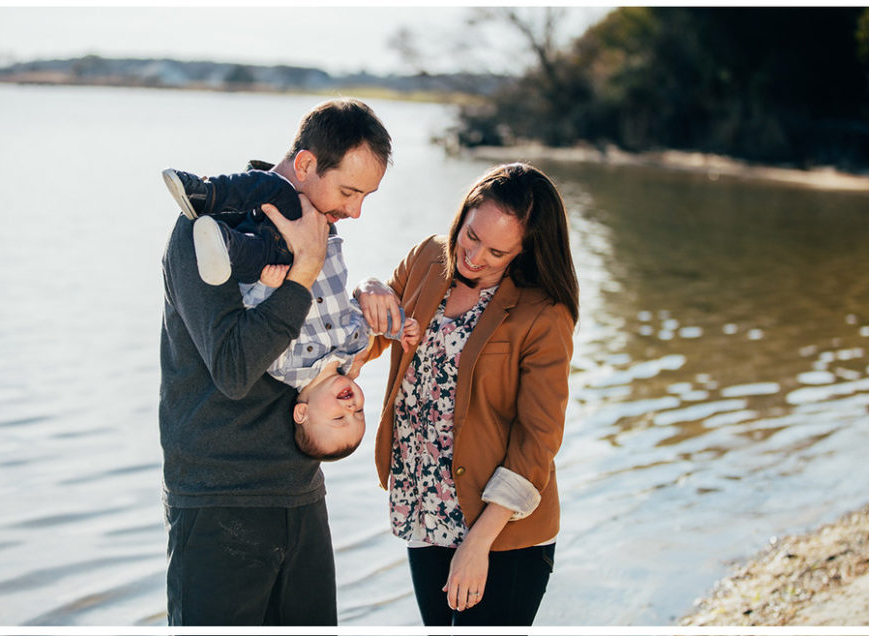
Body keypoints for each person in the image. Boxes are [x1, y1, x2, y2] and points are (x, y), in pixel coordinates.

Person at [159, 97, 391, 626]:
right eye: (349, 192)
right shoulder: (206, 232)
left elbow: (327, 347)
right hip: (220, 500)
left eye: (365, 197)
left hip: (301, 493)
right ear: (306, 165)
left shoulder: (318, 233)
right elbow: (236, 369)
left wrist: (373, 298)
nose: (354, 212)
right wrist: (304, 271)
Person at [356, 162, 579, 626]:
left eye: (497, 252)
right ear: (464, 213)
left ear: (523, 252)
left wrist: (479, 544)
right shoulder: (425, 260)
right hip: (426, 511)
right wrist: (367, 288)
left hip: (502, 532)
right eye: (471, 235)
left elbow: (537, 441)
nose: (474, 256)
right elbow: (371, 332)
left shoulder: (543, 314)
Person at [162, 166, 420, 461]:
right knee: (278, 189)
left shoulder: (283, 368)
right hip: (317, 242)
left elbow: (257, 321)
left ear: (302, 412)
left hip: (273, 264)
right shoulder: (355, 348)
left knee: (252, 249)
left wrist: (263, 286)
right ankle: (203, 194)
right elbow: (372, 318)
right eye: (359, 412)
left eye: (339, 419)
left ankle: (221, 243)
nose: (351, 410)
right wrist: (399, 328)